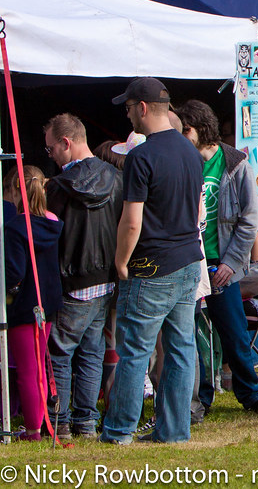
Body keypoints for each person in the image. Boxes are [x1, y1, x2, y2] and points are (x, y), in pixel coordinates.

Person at [101, 77, 203, 445]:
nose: (127, 115)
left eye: (129, 108)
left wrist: (121, 261)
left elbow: (132, 221)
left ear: (142, 108)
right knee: (180, 349)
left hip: (151, 265)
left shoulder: (141, 156)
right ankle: (173, 430)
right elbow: (196, 210)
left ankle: (119, 431)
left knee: (135, 352)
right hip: (189, 260)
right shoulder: (191, 151)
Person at [174, 99, 258, 417]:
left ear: (197, 129)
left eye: (183, 130)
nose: (180, 137)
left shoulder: (236, 164)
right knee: (190, 335)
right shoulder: (182, 161)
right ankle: (199, 398)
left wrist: (231, 263)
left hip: (222, 264)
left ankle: (251, 395)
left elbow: (249, 221)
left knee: (234, 333)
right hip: (189, 261)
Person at [43, 113, 122, 439]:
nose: (50, 155)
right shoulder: (116, 178)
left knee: (60, 353)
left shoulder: (59, 187)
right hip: (105, 280)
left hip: (72, 280)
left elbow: (50, 238)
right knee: (91, 352)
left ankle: (61, 422)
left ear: (66, 143)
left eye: (51, 149)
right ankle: (85, 422)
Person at [4, 166, 63, 441]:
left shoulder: (15, 227)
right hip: (47, 303)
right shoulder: (52, 221)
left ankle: (32, 429)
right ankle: (37, 423)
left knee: (28, 370)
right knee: (39, 366)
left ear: (17, 191)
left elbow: (14, 272)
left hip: (24, 304)